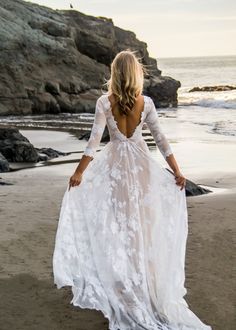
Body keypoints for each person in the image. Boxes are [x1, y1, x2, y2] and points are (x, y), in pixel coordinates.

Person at [53, 50, 212, 330]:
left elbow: (93, 142)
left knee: (120, 224)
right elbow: (161, 140)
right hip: (141, 168)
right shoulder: (146, 102)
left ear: (115, 73)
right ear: (136, 73)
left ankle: (127, 282)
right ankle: (144, 282)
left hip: (114, 169)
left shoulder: (104, 102)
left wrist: (79, 172)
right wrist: (176, 171)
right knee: (143, 225)